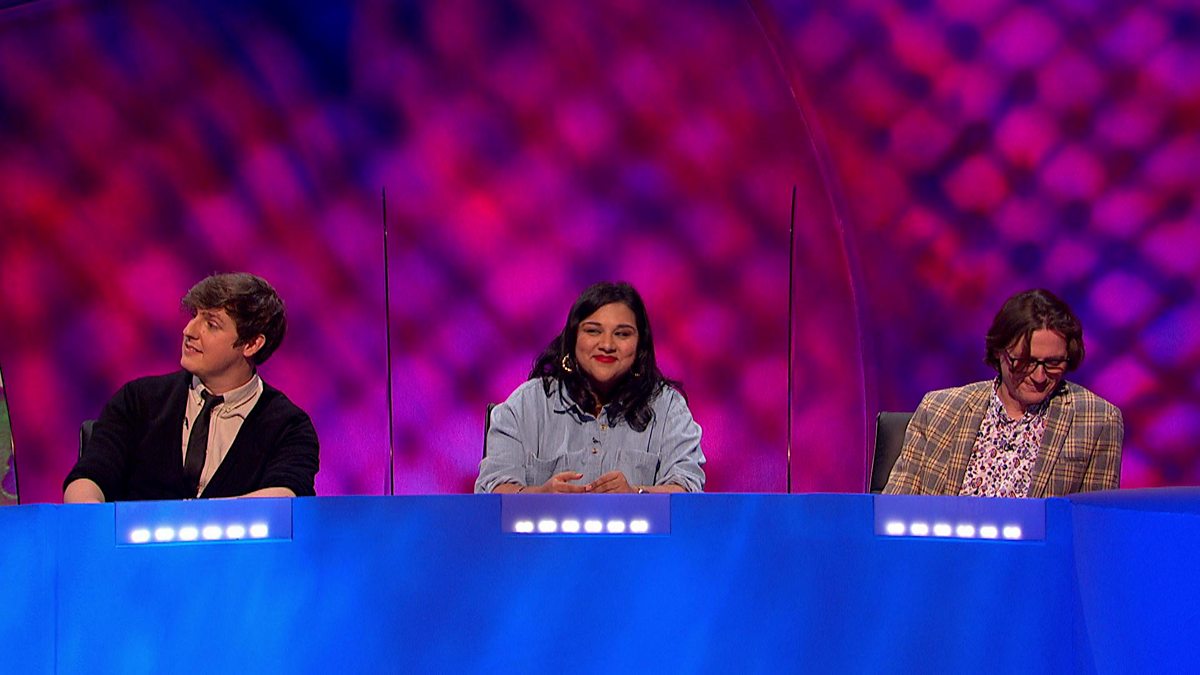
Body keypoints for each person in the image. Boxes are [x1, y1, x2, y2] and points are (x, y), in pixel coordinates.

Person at [63, 273, 319, 502]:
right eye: (194, 316)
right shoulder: (138, 401)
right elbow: (88, 479)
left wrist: (201, 524)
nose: (189, 331)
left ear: (251, 344)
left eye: (211, 324)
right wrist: (91, 521)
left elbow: (285, 499)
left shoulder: (288, 427)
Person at [884, 289, 1122, 498]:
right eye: (1025, 362)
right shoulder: (939, 409)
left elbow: (1094, 524)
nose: (1039, 377)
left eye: (1053, 363)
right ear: (1000, 352)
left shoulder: (1098, 420)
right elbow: (894, 509)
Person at [476, 282, 705, 494]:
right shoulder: (528, 404)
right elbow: (491, 489)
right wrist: (540, 497)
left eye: (622, 334)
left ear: (639, 346)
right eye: (593, 331)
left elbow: (688, 490)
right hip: (543, 528)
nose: (607, 345)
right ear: (573, 338)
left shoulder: (667, 407)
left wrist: (635, 496)